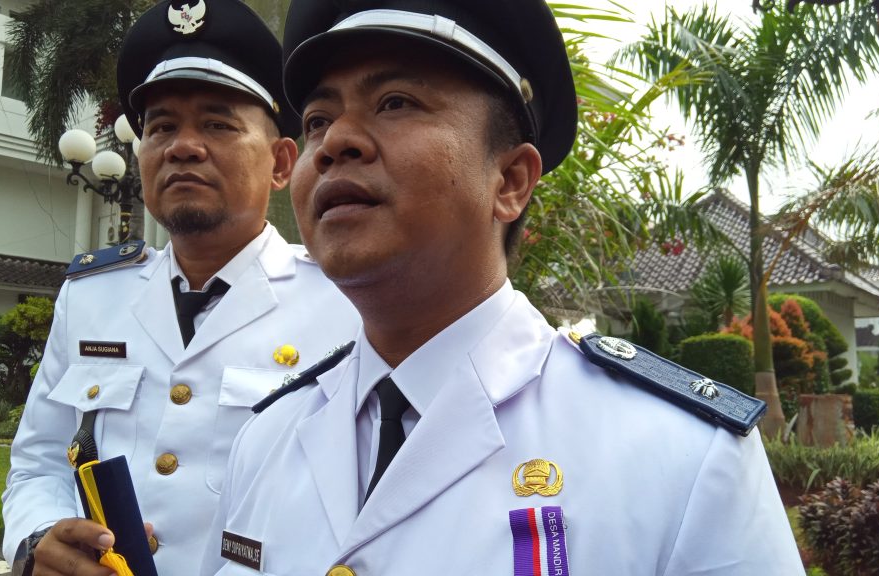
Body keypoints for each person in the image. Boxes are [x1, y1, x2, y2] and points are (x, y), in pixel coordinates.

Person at [201, 0, 805, 574]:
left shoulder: (683, 457)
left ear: (512, 180)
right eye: (317, 121)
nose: (335, 142)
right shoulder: (265, 441)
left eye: (395, 102)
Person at [1, 1, 359, 574]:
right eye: (161, 127)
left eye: (218, 124)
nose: (182, 146)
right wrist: (40, 538)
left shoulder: (347, 302)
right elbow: (40, 459)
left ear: (281, 163)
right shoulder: (93, 297)